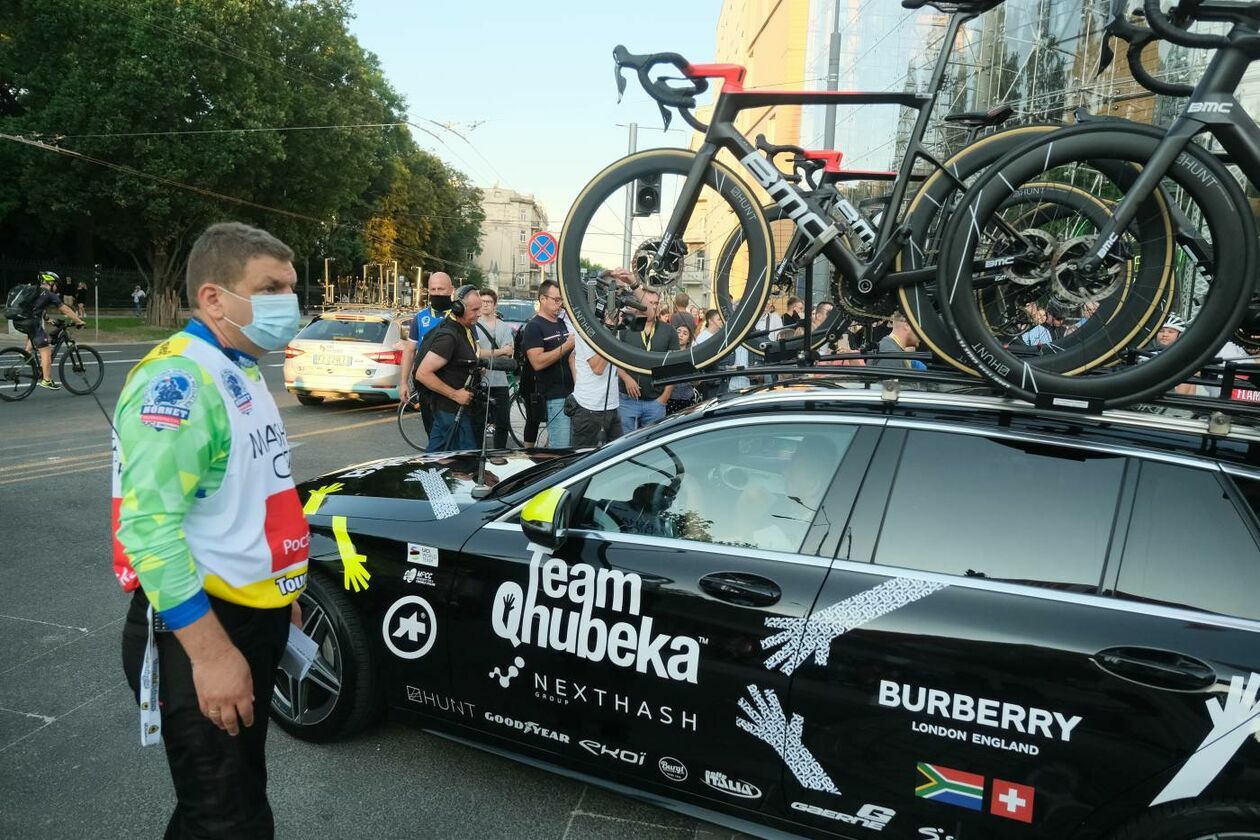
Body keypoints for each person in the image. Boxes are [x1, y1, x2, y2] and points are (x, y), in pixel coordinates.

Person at [114, 222, 310, 839]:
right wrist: (212, 653)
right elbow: (147, 529)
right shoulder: (179, 380)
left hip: (254, 612)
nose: (289, 303)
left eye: (291, 288)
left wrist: (285, 590)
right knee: (227, 819)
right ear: (213, 298)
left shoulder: (239, 366)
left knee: (235, 796)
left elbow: (251, 496)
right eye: (270, 288)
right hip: (202, 625)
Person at [417, 285, 483, 452]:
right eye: (474, 310)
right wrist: (455, 394)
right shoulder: (448, 336)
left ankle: (431, 474)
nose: (479, 314)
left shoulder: (464, 329)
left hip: (453, 410)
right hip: (451, 411)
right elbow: (423, 373)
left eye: (479, 309)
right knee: (465, 460)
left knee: (437, 458)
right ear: (459, 308)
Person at [520, 280, 575, 447]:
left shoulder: (561, 323)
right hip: (552, 395)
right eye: (556, 300)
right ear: (543, 299)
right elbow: (537, 362)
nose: (560, 304)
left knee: (567, 445)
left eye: (561, 300)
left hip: (569, 393)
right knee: (561, 449)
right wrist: (566, 346)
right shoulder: (534, 326)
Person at [617, 287, 678, 431]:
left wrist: (664, 397)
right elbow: (616, 357)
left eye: (656, 303)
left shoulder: (669, 331)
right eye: (649, 302)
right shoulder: (626, 326)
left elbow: (674, 366)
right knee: (624, 446)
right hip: (628, 401)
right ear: (639, 302)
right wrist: (626, 378)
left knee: (653, 448)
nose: (653, 306)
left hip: (655, 402)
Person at [14, 271, 85, 389]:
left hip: (19, 321)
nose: (56, 287)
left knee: (39, 337)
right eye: (56, 284)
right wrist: (78, 321)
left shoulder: (35, 290)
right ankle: (47, 380)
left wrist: (47, 319)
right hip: (31, 323)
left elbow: (35, 308)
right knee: (46, 351)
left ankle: (26, 354)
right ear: (50, 282)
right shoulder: (49, 294)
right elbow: (66, 310)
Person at [399, 271, 456, 405]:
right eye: (433, 289)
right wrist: (403, 383)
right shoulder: (420, 317)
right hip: (425, 384)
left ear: (451, 290)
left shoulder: (461, 316)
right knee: (430, 425)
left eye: (441, 289)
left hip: (453, 384)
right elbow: (409, 351)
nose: (436, 293)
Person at [475, 288, 515, 449]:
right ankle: (477, 455)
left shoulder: (504, 327)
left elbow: (508, 355)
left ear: (495, 305)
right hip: (480, 382)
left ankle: (499, 454)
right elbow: (476, 353)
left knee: (502, 422)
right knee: (478, 423)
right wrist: (500, 352)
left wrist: (488, 356)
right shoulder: (474, 326)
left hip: (500, 382)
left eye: (488, 302)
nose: (485, 305)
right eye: (482, 302)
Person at [569, 327, 622, 447]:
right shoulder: (586, 330)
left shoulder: (609, 331)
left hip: (612, 405)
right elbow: (598, 368)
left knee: (617, 457)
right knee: (585, 459)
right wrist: (611, 336)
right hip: (591, 409)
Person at [666, 324, 698, 413]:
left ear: (688, 339)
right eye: (678, 332)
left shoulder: (692, 355)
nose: (680, 335)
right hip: (668, 398)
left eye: (685, 333)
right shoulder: (666, 354)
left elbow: (697, 382)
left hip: (687, 398)